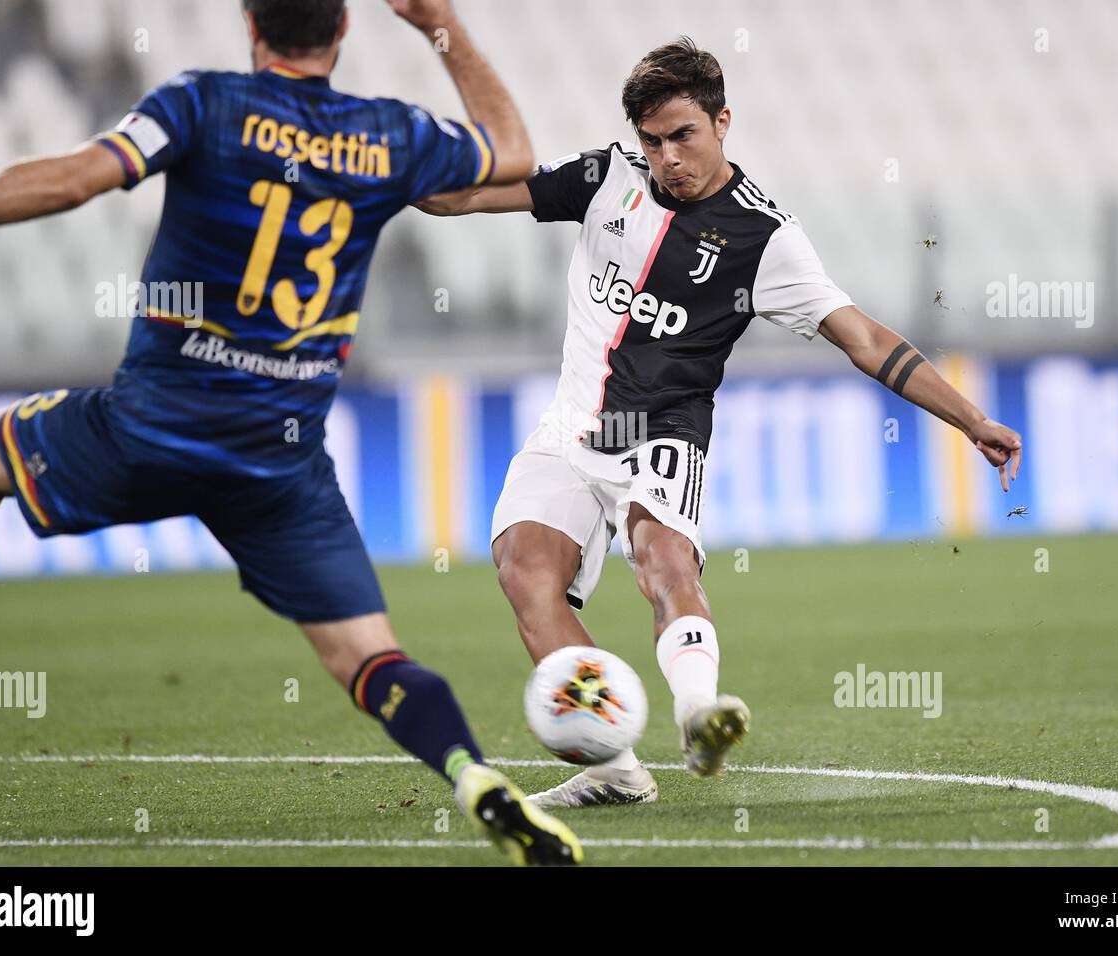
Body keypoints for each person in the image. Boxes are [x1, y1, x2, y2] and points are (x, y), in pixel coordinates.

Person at [0, 0, 581, 865]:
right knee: (369, 657)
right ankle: (477, 780)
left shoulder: (203, 102)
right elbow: (513, 153)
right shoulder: (388, 134)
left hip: (150, 427)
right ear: (344, 29)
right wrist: (438, 23)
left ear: (250, 24)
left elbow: (76, 179)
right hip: (278, 463)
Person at [417, 37, 1023, 808]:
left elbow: (864, 338)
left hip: (665, 434)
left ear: (722, 121)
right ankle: (612, 767)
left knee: (661, 559)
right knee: (524, 575)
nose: (667, 157)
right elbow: (460, 199)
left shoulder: (763, 237)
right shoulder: (604, 179)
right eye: (652, 140)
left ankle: (701, 713)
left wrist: (971, 419)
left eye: (683, 136)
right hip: (571, 430)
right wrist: (376, 178)